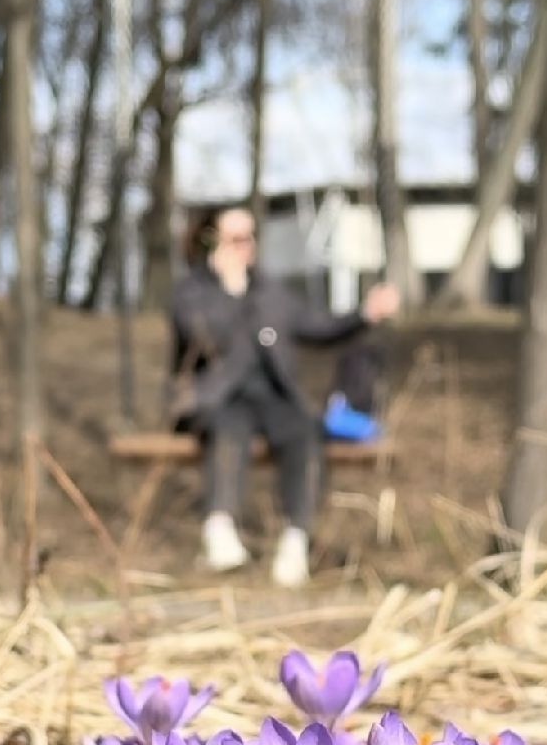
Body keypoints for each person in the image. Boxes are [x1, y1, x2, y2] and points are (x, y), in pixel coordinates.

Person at [167, 205, 400, 586]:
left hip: (273, 396)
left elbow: (319, 327)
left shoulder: (271, 292)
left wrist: (365, 314)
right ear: (213, 242)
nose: (247, 246)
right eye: (236, 238)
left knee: (306, 431)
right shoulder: (193, 292)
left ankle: (295, 540)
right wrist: (231, 291)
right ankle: (219, 528)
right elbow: (201, 339)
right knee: (230, 429)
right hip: (217, 396)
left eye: (250, 237)